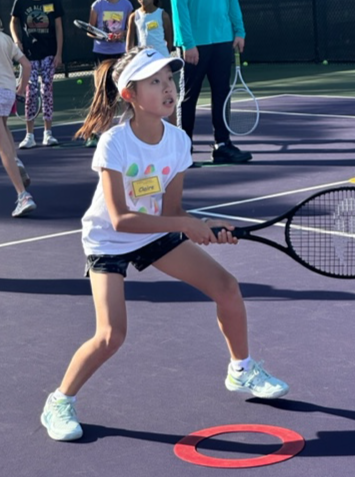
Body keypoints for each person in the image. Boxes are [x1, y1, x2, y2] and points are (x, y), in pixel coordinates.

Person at [40, 47, 289, 442]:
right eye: (155, 82)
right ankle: (59, 401)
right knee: (111, 335)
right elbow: (121, 218)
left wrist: (201, 226)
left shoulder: (177, 141)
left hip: (154, 232)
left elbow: (171, 209)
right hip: (108, 240)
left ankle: (241, 370)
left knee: (227, 288)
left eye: (169, 80)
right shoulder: (114, 144)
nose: (168, 88)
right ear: (130, 96)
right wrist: (188, 225)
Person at [171, 0, 253, 164]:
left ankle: (222, 145)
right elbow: (179, 8)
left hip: (223, 39)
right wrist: (188, 43)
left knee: (222, 94)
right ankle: (183, 150)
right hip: (194, 44)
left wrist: (239, 31)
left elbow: (232, 3)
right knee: (189, 96)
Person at [10, 0, 64, 149]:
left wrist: (59, 53)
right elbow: (13, 22)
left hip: (49, 54)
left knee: (47, 90)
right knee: (31, 93)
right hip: (28, 55)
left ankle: (48, 133)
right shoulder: (20, 2)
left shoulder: (53, 1)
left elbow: (59, 26)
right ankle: (30, 136)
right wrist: (17, 41)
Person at [84, 0, 133, 147]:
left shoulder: (127, 5)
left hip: (120, 54)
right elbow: (89, 30)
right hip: (101, 53)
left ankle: (128, 131)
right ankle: (93, 133)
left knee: (125, 91)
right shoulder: (97, 5)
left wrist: (121, 34)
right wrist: (103, 36)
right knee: (102, 94)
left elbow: (130, 29)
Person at [0, 17, 36, 217]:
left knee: (2, 146)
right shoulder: (6, 39)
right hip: (7, 93)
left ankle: (23, 196)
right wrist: (21, 89)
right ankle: (16, 161)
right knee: (4, 128)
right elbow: (27, 65)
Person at [126, 0, 176, 124]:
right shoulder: (134, 16)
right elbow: (129, 44)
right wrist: (131, 59)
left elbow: (169, 40)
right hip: (144, 63)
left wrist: (163, 56)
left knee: (168, 94)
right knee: (145, 96)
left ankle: (175, 127)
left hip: (162, 61)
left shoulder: (162, 14)